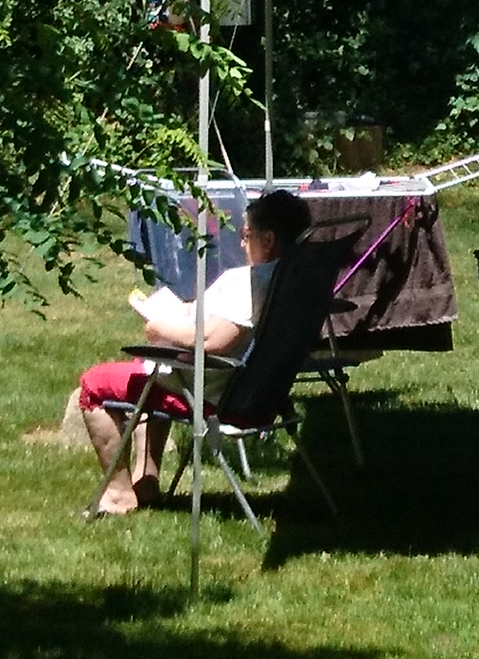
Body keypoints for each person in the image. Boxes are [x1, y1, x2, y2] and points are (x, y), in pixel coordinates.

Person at [74, 187, 315, 516]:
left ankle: (118, 494)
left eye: (246, 235)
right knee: (147, 369)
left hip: (214, 392)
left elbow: (211, 342)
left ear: (268, 239)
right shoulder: (296, 280)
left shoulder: (253, 284)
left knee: (94, 385)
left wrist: (160, 327)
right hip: (258, 391)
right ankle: (146, 481)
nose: (242, 244)